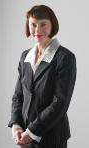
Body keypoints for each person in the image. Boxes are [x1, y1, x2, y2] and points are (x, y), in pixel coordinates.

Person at [8, 5, 76, 148]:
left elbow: (60, 103)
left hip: (51, 137)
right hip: (25, 136)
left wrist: (32, 131)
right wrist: (16, 125)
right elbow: (18, 96)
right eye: (33, 25)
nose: (37, 30)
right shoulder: (25, 56)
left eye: (43, 24)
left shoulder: (65, 57)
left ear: (52, 25)